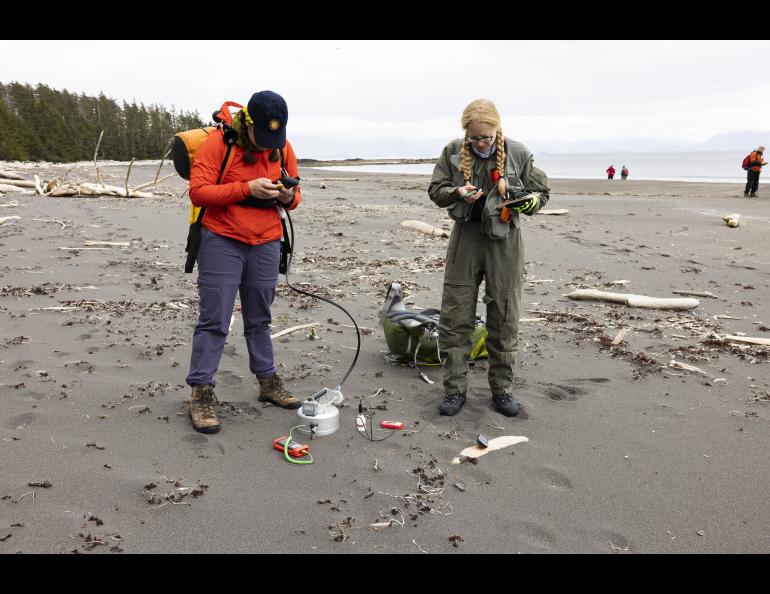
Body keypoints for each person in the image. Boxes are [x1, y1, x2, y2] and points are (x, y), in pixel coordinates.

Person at [185, 90, 302, 433]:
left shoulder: (283, 147)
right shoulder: (219, 145)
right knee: (214, 320)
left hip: (266, 241)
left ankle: (268, 382)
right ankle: (201, 392)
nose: (268, 145)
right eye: (262, 137)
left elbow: (295, 197)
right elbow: (199, 192)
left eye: (274, 139)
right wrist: (246, 188)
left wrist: (286, 194)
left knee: (260, 318)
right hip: (221, 239)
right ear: (247, 123)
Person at [428, 98, 550, 417]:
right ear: (465, 134)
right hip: (465, 241)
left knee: (504, 317)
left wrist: (529, 203)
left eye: (487, 136)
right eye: (474, 137)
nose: (481, 143)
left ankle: (502, 390)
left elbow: (542, 194)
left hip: (505, 243)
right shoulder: (452, 152)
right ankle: (454, 390)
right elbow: (435, 190)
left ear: (498, 128)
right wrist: (457, 193)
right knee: (455, 316)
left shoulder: (519, 153)